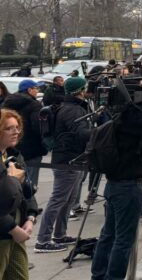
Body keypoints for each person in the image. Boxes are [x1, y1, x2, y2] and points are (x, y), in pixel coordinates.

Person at [90, 84, 142, 280]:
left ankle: (98, 275)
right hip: (128, 186)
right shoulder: (132, 119)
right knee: (123, 239)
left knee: (108, 235)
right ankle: (113, 277)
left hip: (113, 184)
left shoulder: (118, 118)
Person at [34, 76, 92, 253]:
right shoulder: (73, 110)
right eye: (85, 88)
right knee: (58, 199)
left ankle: (59, 234)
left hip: (68, 158)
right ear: (80, 91)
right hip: (68, 160)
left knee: (66, 199)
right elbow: (81, 133)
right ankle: (43, 240)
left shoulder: (67, 107)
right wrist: (100, 133)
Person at [0, 109, 39, 280]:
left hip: (17, 227)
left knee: (20, 275)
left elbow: (27, 191)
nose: (16, 132)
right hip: (4, 230)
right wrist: (12, 228)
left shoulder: (13, 155)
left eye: (17, 127)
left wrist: (30, 216)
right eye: (9, 128)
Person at [2, 81, 45, 187]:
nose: (37, 91)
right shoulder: (34, 105)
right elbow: (38, 127)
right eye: (36, 88)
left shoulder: (6, 103)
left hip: (12, 148)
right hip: (32, 149)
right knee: (29, 185)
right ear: (29, 90)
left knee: (12, 181)